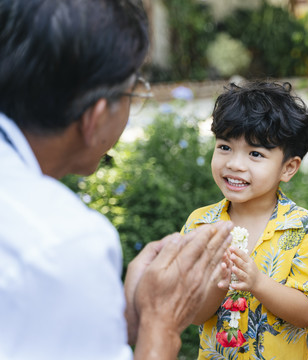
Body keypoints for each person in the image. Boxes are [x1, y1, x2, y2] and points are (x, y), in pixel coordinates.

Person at [0, 1, 232, 359]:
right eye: (133, 91)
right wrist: (162, 321)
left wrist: (126, 316)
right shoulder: (65, 241)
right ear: (94, 118)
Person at [180, 81, 308, 359]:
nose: (235, 163)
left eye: (255, 154)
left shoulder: (301, 225)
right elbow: (193, 315)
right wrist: (218, 282)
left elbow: (306, 313)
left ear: (288, 167)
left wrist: (258, 282)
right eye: (225, 147)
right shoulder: (200, 224)